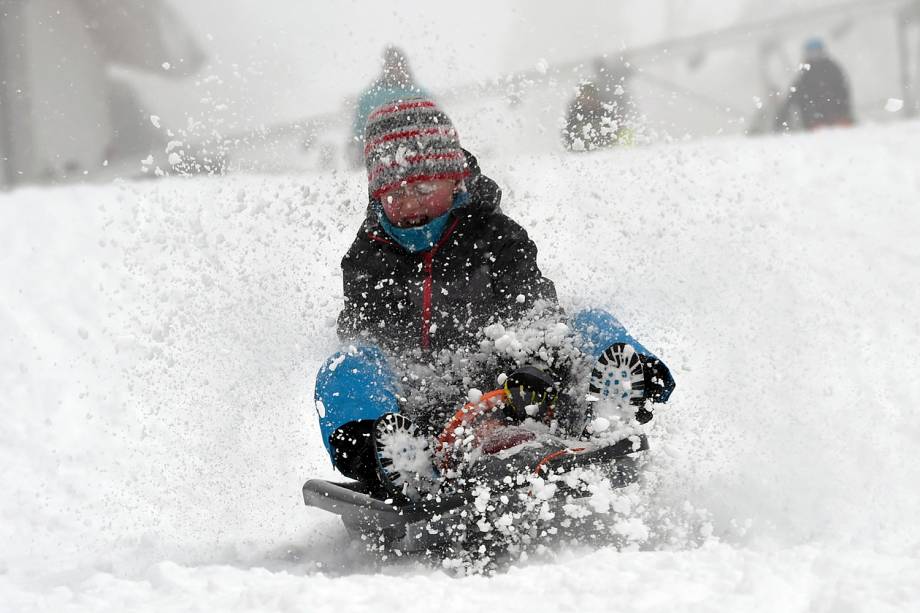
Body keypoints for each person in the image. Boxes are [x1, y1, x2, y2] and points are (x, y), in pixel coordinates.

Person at [316, 98, 674, 499]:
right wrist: (391, 404)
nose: (412, 204)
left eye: (423, 188)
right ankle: (393, 466)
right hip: (422, 412)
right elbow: (367, 337)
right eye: (396, 194)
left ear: (454, 180)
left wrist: (537, 366)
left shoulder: (494, 234)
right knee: (346, 363)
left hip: (519, 389)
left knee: (589, 320)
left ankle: (608, 414)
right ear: (377, 195)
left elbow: (535, 308)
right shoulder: (369, 256)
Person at [347, 46, 431, 168]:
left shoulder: (420, 94)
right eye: (392, 64)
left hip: (418, 158)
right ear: (385, 67)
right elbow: (360, 133)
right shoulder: (370, 98)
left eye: (399, 64)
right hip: (381, 160)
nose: (396, 69)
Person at [775, 38, 853, 132]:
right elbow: (794, 94)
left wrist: (842, 114)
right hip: (815, 121)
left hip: (836, 118)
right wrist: (782, 116)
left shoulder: (832, 69)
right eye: (811, 53)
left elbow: (843, 92)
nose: (814, 56)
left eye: (816, 52)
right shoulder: (805, 73)